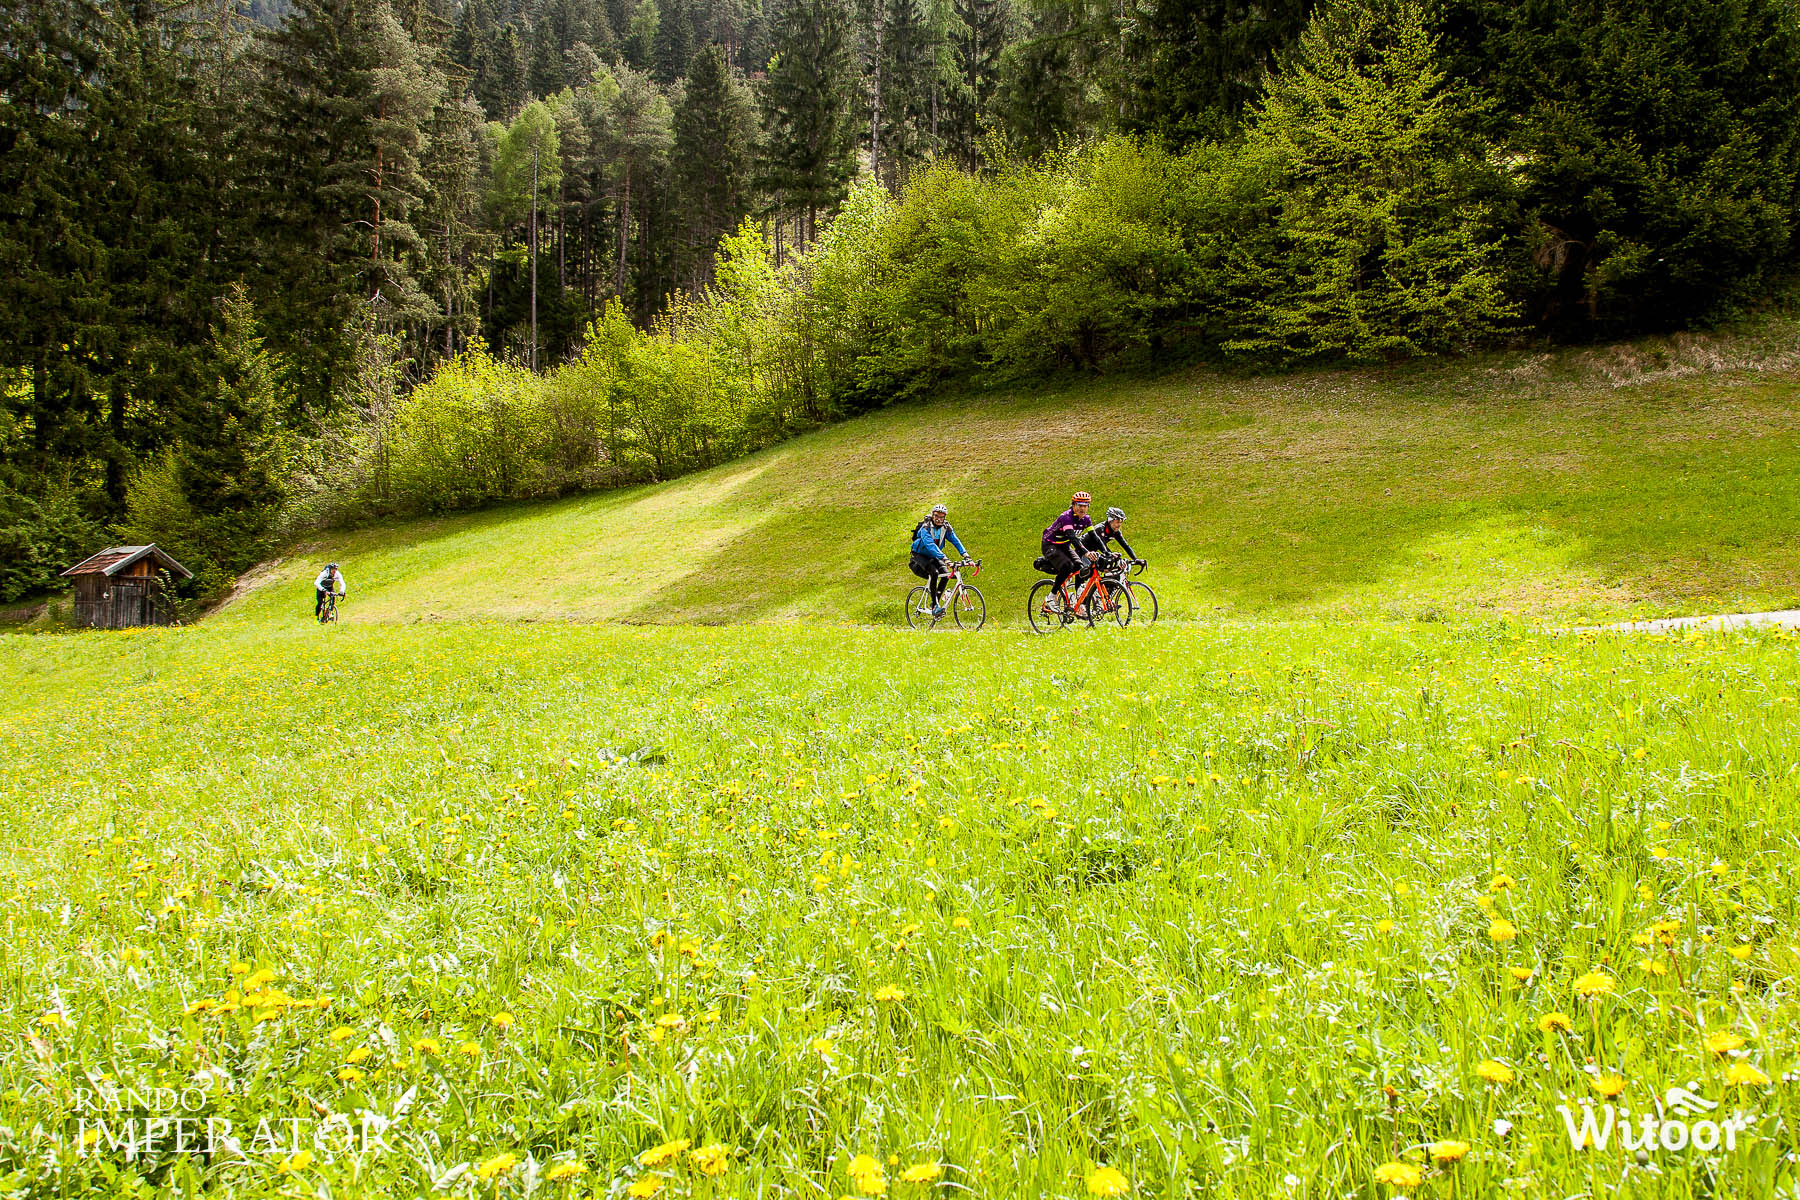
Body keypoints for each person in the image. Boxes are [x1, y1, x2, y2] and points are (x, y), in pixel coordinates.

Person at [909, 503, 971, 618]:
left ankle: (936, 602)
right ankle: (934, 606)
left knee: (946, 574)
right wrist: (945, 559)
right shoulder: (926, 527)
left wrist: (966, 556)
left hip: (934, 555)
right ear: (932, 515)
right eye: (936, 516)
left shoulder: (945, 528)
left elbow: (956, 541)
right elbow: (930, 545)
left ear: (944, 517)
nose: (938, 519)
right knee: (934, 572)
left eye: (941, 517)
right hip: (919, 555)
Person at [1040, 490, 1097, 602]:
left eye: (1085, 506)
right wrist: (1086, 552)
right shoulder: (1066, 517)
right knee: (1067, 566)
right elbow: (1072, 538)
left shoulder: (1086, 519)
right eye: (1080, 505)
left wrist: (1106, 552)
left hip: (1064, 545)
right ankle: (1051, 597)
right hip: (1050, 544)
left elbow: (1094, 537)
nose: (1082, 509)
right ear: (1074, 505)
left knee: (1080, 567)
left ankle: (1078, 598)